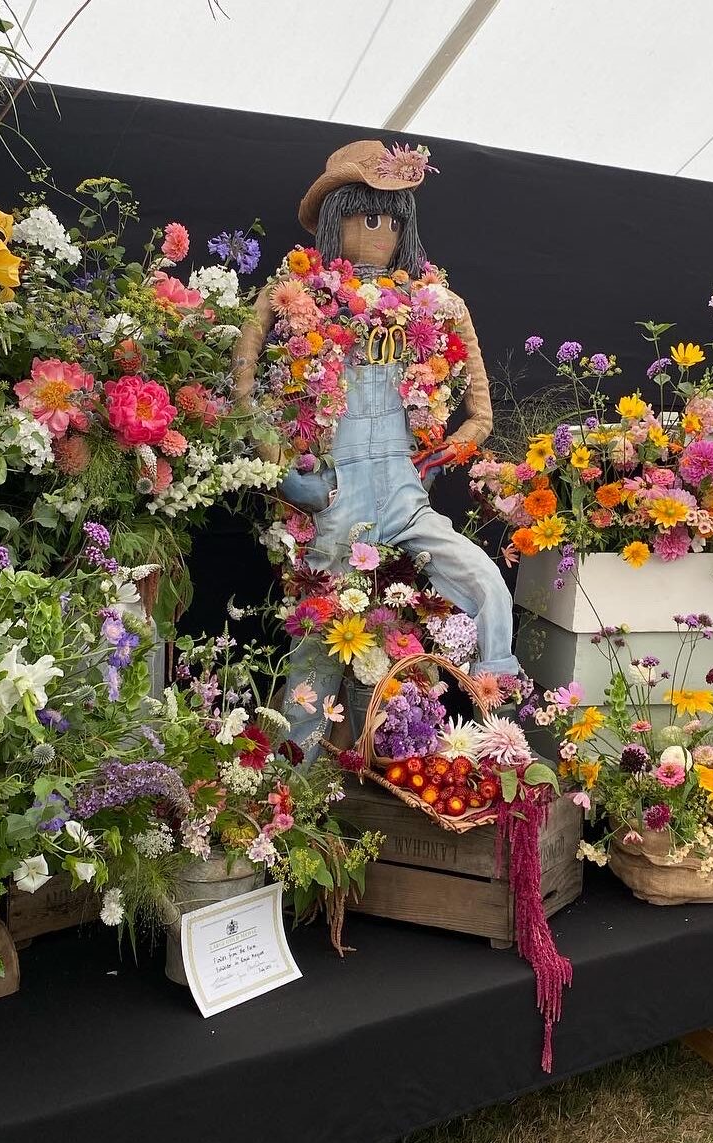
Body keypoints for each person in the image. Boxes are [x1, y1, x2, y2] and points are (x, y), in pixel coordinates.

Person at [233, 140, 522, 759]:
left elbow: (482, 412)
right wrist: (283, 467)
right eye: (370, 217)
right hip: (335, 493)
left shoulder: (434, 302)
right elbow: (243, 388)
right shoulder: (294, 294)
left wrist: (454, 445)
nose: (383, 232)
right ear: (338, 219)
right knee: (320, 642)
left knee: (486, 579)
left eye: (395, 220)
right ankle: (288, 789)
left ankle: (496, 699)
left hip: (402, 489)